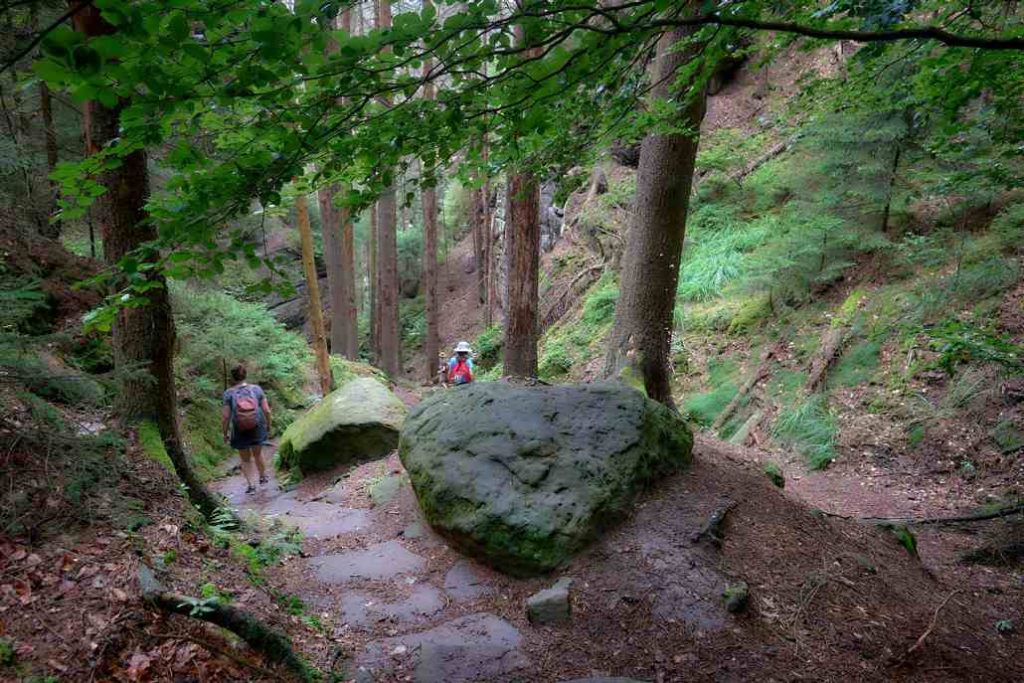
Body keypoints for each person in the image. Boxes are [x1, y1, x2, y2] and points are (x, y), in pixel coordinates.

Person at [222, 364, 272, 494]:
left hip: (239, 429)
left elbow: (226, 417)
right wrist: (268, 425)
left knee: (245, 459)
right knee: (258, 453)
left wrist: (225, 432)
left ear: (232, 378)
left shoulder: (229, 393)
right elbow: (267, 410)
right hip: (257, 426)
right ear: (245, 375)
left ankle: (251, 486)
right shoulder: (256, 389)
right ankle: (263, 477)